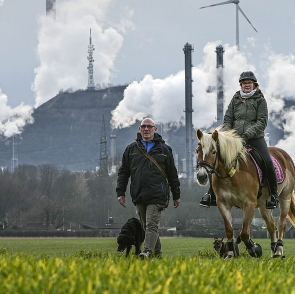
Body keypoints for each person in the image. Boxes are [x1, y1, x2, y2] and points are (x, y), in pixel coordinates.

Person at [199, 71, 279, 209]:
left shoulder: (260, 100)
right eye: (244, 83)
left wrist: (247, 135)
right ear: (241, 85)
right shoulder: (235, 99)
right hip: (234, 139)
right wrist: (227, 134)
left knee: (267, 161)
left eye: (249, 83)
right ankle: (211, 194)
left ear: (254, 84)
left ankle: (273, 195)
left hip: (254, 138)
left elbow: (262, 121)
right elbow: (228, 118)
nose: (246, 85)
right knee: (218, 160)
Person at [117, 117, 181, 259]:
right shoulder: (131, 149)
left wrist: (176, 194)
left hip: (157, 194)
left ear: (155, 129)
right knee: (147, 226)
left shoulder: (164, 150)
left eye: (149, 127)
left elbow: (172, 174)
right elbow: (123, 172)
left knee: (151, 224)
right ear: (139, 129)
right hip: (139, 194)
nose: (146, 129)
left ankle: (146, 252)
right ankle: (157, 256)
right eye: (143, 127)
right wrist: (120, 192)